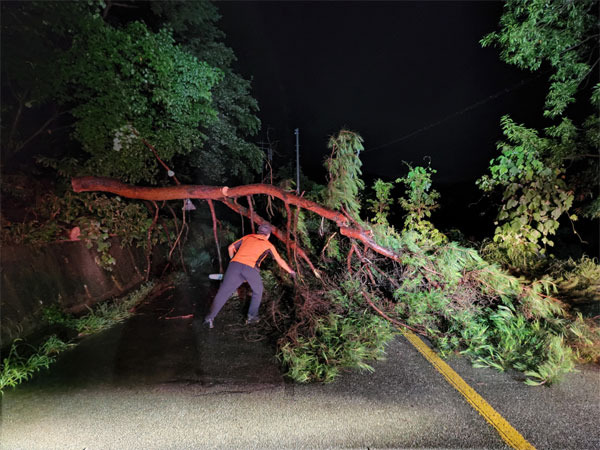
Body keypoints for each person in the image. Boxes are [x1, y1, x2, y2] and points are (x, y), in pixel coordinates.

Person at [203, 223, 295, 328]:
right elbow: (280, 261)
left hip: (234, 266)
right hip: (250, 268)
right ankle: (252, 317)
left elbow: (230, 247)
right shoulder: (268, 245)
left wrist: (232, 260)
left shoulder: (248, 237)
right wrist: (291, 271)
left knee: (223, 292)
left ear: (258, 232)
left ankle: (208, 319)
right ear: (268, 235)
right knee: (258, 290)